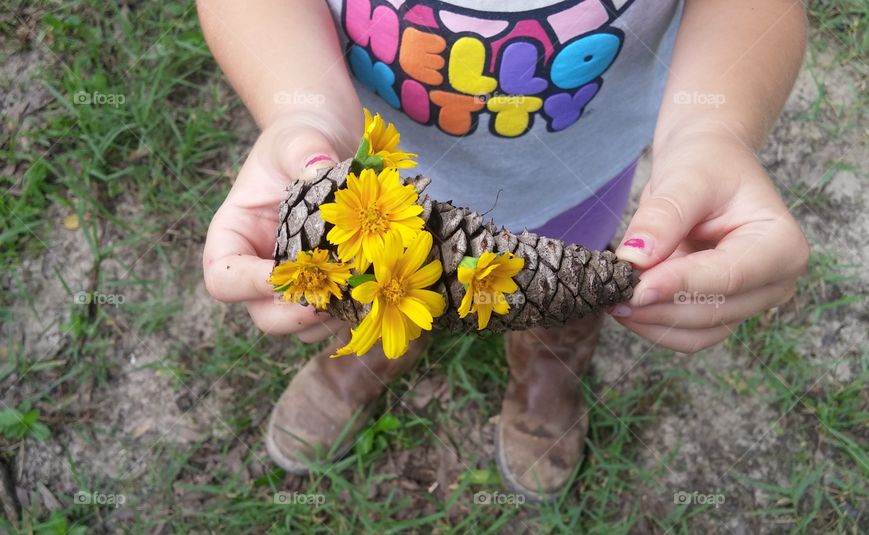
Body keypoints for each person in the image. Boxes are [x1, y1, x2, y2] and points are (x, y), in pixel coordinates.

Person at [198, 0, 809, 501]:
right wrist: (302, 114)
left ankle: (552, 355)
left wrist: (714, 131)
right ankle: (384, 332)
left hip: (577, 170)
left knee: (565, 277)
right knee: (387, 279)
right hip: (373, 176)